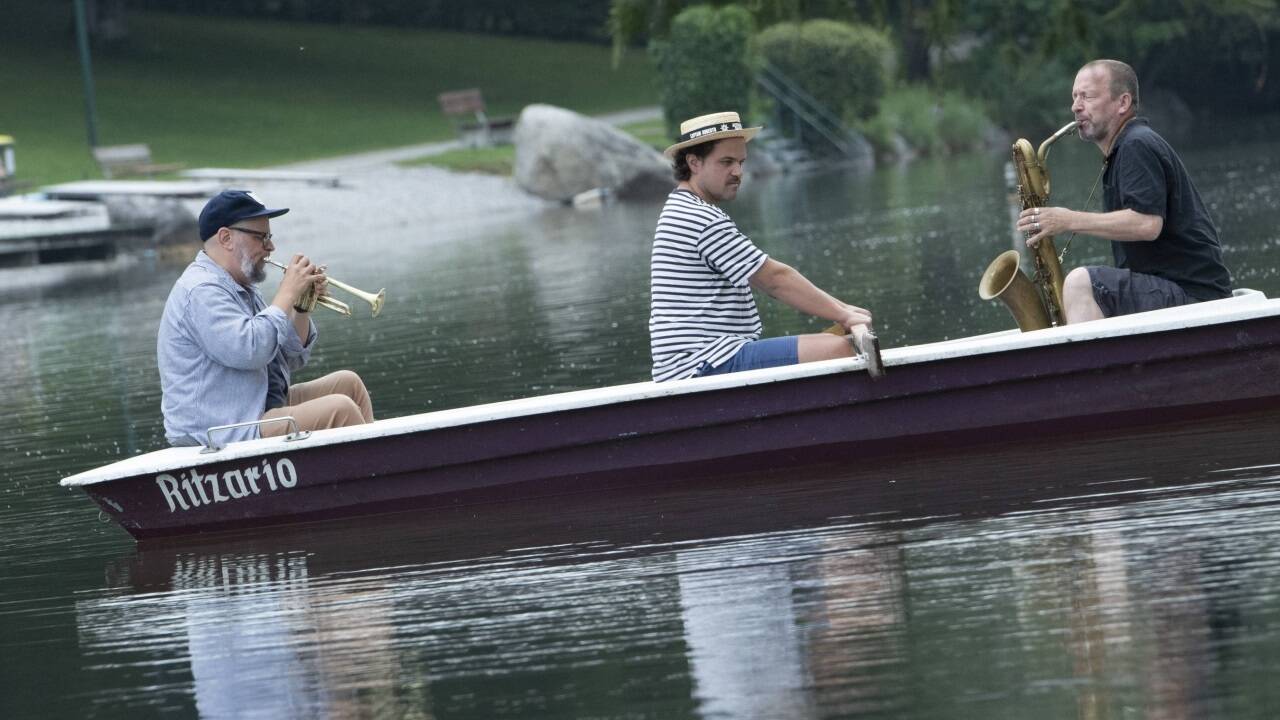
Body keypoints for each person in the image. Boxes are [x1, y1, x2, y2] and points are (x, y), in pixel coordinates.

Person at [649, 111, 873, 382]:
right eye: (726, 162)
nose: (738, 172)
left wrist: (846, 312)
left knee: (837, 338)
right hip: (702, 364)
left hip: (709, 358)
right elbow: (774, 279)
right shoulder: (699, 218)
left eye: (741, 162)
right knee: (841, 349)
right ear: (694, 163)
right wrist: (843, 313)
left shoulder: (684, 207)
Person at [1018, 59, 1231, 323]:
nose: (1075, 106)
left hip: (1195, 298)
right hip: (1179, 292)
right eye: (1074, 97)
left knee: (1080, 284)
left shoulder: (1136, 145)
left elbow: (1147, 224)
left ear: (1123, 103)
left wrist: (1067, 220)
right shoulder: (1124, 148)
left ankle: (1090, 364)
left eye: (1088, 96)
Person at [158, 189, 373, 447]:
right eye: (261, 237)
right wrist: (287, 292)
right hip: (222, 429)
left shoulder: (242, 287)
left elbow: (290, 358)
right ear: (226, 238)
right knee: (339, 408)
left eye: (269, 237)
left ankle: (373, 472)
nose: (270, 247)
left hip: (255, 406)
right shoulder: (201, 291)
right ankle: (374, 479)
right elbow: (251, 351)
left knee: (348, 385)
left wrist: (301, 308)